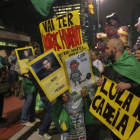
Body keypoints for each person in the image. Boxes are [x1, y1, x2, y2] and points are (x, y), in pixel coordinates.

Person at [96, 38, 140, 140]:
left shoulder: (133, 64)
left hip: (131, 117)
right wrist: (100, 82)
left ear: (114, 49)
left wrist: (129, 85)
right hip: (114, 118)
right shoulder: (108, 67)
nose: (105, 51)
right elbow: (105, 86)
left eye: (107, 48)